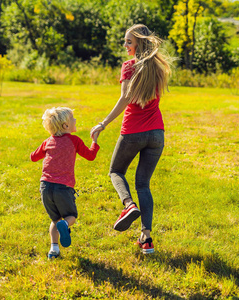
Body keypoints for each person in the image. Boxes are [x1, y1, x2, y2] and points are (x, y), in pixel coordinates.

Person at [90, 24, 173, 254]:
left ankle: (128, 206)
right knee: (143, 184)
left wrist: (103, 123)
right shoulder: (158, 68)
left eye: (129, 41)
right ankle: (146, 239)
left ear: (139, 43)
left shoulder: (129, 67)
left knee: (116, 172)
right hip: (157, 133)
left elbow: (125, 98)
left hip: (133, 131)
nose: (125, 45)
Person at [31, 107, 100, 259]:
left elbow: (33, 157)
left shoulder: (48, 141)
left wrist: (46, 147)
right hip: (63, 188)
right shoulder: (74, 140)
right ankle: (66, 225)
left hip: (45, 187)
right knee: (70, 216)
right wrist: (94, 141)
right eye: (73, 119)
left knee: (55, 220)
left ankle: (53, 250)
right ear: (65, 126)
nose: (75, 120)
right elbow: (90, 156)